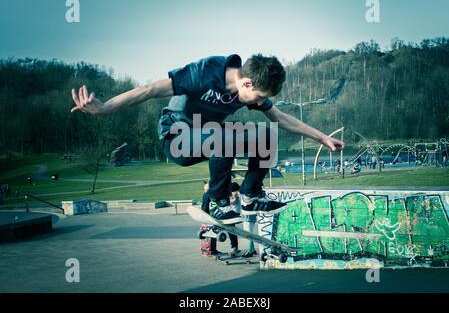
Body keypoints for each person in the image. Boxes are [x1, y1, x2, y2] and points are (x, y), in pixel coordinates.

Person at [70, 54, 345, 223]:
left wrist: (322, 137)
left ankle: (250, 196)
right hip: (174, 136)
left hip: (208, 138)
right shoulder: (205, 72)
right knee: (224, 135)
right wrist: (105, 109)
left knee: (266, 134)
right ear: (246, 83)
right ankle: (217, 202)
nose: (261, 102)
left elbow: (282, 118)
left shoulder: (249, 89)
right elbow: (150, 90)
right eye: (260, 96)